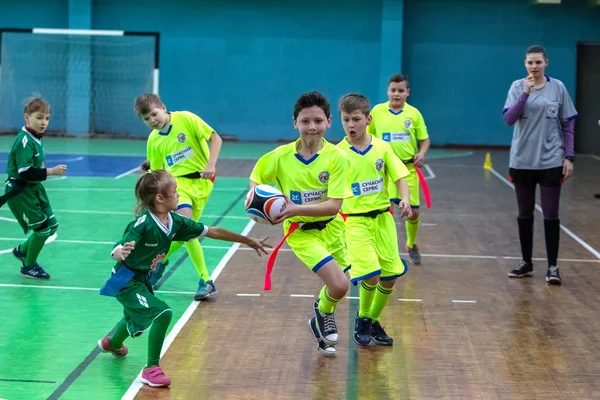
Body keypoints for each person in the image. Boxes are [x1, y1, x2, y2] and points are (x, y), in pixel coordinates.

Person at [97, 169, 270, 388]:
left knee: (135, 316)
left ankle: (112, 343)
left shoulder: (175, 222)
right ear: (160, 198)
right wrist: (119, 252)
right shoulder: (143, 223)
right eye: (175, 191)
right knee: (162, 312)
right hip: (126, 281)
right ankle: (151, 369)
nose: (178, 194)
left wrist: (248, 240)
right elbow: (119, 246)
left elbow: (212, 231)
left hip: (142, 279)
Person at [249, 92, 351, 356]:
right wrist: (260, 208)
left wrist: (294, 207)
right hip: (301, 233)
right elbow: (256, 180)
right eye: (305, 121)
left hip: (334, 227)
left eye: (318, 120)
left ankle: (319, 320)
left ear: (329, 122)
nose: (312, 127)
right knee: (340, 285)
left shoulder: (337, 158)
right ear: (295, 122)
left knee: (340, 283)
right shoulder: (280, 156)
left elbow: (334, 205)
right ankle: (322, 312)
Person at [337, 93, 412, 346]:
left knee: (390, 275)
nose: (351, 125)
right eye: (346, 119)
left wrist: (404, 198)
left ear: (368, 119)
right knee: (371, 273)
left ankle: (372, 318)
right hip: (354, 222)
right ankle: (362, 320)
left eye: (356, 119)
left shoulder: (382, 147)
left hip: (383, 219)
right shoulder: (337, 153)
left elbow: (401, 176)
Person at [135, 94, 223, 300]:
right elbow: (157, 174)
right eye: (146, 119)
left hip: (203, 183)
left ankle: (160, 261)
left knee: (183, 232)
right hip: (177, 186)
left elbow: (215, 138)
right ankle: (206, 281)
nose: (152, 120)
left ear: (163, 108)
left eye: (154, 114)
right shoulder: (154, 140)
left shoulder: (187, 118)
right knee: (187, 227)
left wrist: (211, 164)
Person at [503, 45, 577, 285]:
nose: (533, 67)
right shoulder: (517, 87)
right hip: (523, 160)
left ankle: (553, 267)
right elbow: (509, 119)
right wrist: (525, 94)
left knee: (551, 213)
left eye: (538, 62)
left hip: (550, 160)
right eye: (529, 63)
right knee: (524, 213)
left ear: (546, 63)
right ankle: (526, 263)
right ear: (525, 64)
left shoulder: (558, 88)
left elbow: (568, 124)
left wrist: (569, 156)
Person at [367, 74, 430, 265]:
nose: (396, 94)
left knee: (413, 213)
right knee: (383, 211)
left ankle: (411, 244)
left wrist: (422, 153)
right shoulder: (377, 111)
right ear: (388, 91)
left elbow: (425, 139)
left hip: (407, 169)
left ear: (407, 93)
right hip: (383, 171)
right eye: (393, 90)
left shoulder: (414, 114)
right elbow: (367, 137)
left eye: (401, 90)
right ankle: (382, 249)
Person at [1, 95, 67, 279]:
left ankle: (22, 251)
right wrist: (51, 171)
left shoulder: (35, 137)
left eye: (47, 118)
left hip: (35, 189)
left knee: (52, 226)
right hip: (22, 191)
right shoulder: (25, 141)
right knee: (42, 230)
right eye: (39, 117)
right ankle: (28, 266)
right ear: (26, 117)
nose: (44, 122)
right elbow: (25, 172)